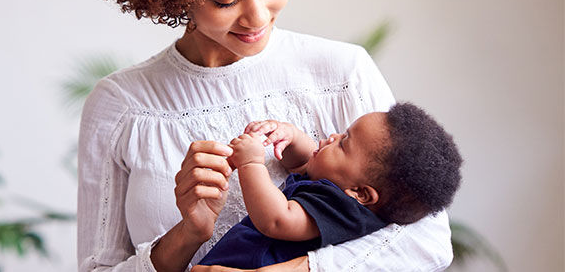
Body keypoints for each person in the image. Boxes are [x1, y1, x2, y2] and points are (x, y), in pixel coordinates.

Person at [77, 0, 453, 271]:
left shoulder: (341, 71)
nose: (256, 17)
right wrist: (188, 232)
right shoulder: (121, 105)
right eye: (225, 0)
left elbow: (427, 241)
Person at [197, 103, 463, 269]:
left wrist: (251, 163)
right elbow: (304, 162)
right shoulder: (339, 187)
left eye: (344, 142)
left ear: (360, 193)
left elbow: (277, 220)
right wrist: (290, 135)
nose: (333, 136)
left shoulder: (343, 210)